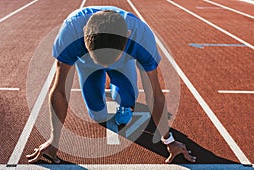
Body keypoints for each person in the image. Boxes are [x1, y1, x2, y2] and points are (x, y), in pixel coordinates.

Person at [26, 6, 196, 164]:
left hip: (122, 63)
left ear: (128, 35)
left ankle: (121, 97)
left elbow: (154, 94)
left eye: (109, 61)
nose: (105, 66)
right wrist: (54, 140)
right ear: (84, 34)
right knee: (98, 115)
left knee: (127, 99)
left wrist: (169, 140)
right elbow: (59, 91)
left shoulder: (142, 38)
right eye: (101, 60)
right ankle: (103, 82)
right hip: (88, 64)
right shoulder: (70, 32)